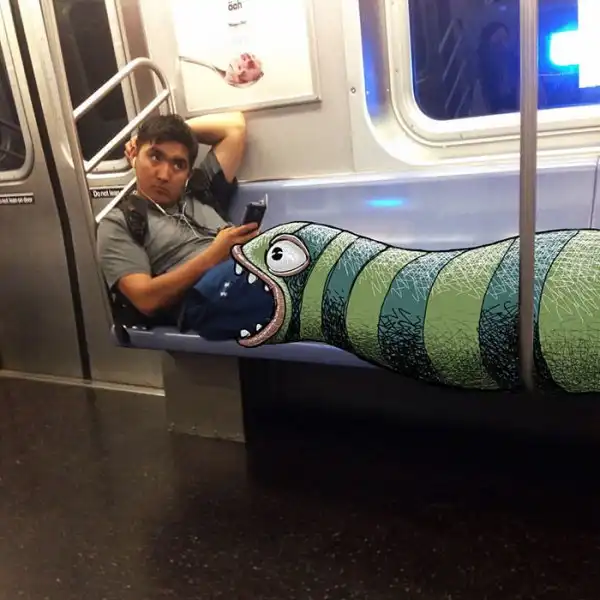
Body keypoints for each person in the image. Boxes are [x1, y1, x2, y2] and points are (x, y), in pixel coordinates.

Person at [96, 112, 261, 338]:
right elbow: (146, 299)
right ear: (134, 155)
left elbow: (234, 126)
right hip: (212, 294)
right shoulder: (119, 223)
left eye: (178, 164)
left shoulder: (201, 191)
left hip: (251, 271)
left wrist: (173, 132)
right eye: (155, 156)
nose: (164, 175)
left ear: (187, 173)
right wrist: (215, 255)